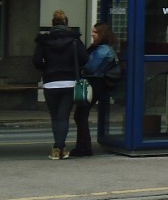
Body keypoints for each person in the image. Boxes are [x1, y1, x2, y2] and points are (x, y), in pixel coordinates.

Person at [33, 10, 88, 161]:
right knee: (63, 117)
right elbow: (84, 59)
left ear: (52, 24)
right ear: (66, 24)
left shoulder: (44, 41)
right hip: (69, 82)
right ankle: (59, 148)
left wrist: (46, 68)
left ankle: (57, 148)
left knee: (55, 117)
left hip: (50, 82)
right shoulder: (75, 40)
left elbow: (37, 61)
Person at [70, 22, 118, 157]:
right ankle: (83, 146)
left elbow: (91, 67)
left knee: (80, 115)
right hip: (95, 82)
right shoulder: (101, 48)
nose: (92, 34)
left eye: (95, 32)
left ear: (102, 34)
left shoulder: (103, 50)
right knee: (80, 115)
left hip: (95, 82)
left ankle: (84, 147)